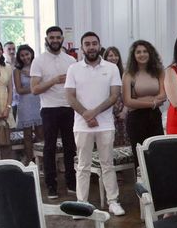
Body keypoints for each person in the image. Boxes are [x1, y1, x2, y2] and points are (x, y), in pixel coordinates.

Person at [65, 31, 125, 216]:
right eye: (87, 44)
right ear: (82, 47)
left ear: (99, 46)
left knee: (107, 164)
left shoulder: (111, 68)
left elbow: (114, 95)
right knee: (83, 165)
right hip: (82, 125)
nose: (91, 47)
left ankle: (113, 201)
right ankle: (81, 204)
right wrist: (86, 115)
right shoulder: (73, 68)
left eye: (94, 43)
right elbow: (69, 96)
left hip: (105, 124)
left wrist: (94, 113)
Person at [30, 26, 77, 200]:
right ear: (46, 39)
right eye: (52, 38)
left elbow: (76, 86)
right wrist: (53, 81)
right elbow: (34, 89)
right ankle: (51, 185)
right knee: (49, 147)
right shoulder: (39, 61)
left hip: (68, 107)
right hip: (49, 109)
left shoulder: (71, 60)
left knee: (70, 146)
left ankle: (72, 182)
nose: (55, 40)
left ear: (62, 39)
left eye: (58, 37)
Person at [122, 40, 166, 161]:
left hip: (154, 117)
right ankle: (141, 180)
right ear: (134, 55)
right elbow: (128, 102)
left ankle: (158, 181)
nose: (142, 54)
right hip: (136, 119)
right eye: (138, 52)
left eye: (145, 51)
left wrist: (139, 101)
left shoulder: (159, 71)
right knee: (140, 159)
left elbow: (163, 95)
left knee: (158, 155)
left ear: (150, 53)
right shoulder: (128, 74)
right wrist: (152, 103)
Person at [13, 44, 43, 163]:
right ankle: (30, 160)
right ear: (19, 57)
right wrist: (35, 87)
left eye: (27, 54)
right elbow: (19, 90)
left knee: (41, 133)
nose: (25, 57)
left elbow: (44, 84)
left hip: (38, 102)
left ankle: (42, 161)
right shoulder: (17, 71)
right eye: (22, 55)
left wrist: (35, 83)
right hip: (25, 104)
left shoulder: (38, 68)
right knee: (27, 135)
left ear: (31, 54)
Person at [103, 47, 129, 147]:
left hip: (123, 112)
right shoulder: (102, 73)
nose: (114, 58)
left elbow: (130, 95)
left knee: (125, 143)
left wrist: (124, 111)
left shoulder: (125, 73)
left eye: (116, 55)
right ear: (105, 57)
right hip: (107, 113)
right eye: (110, 55)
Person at [4, 41, 19, 118]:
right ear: (4, 51)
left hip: (20, 98)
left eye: (13, 49)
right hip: (8, 99)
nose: (12, 51)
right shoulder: (2, 66)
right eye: (9, 49)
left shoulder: (20, 64)